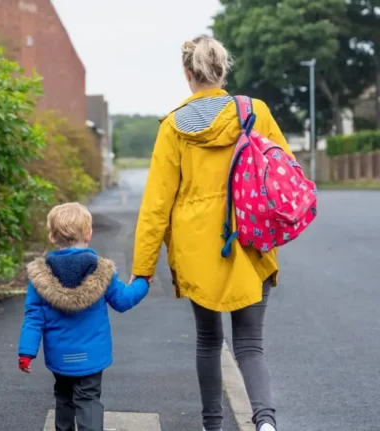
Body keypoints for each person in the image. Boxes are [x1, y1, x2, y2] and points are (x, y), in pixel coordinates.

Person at [130, 35, 294, 431]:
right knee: (250, 345)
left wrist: (142, 268)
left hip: (198, 249)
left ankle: (213, 425)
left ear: (188, 75)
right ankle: (266, 422)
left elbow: (156, 204)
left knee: (208, 341)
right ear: (222, 70)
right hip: (251, 240)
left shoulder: (172, 127)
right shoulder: (255, 112)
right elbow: (285, 169)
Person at [17, 202, 150, 431]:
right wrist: (142, 283)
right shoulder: (101, 271)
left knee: (64, 398)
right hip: (92, 355)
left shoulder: (40, 276)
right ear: (88, 234)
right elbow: (123, 300)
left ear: (52, 237)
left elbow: (33, 317)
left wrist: (26, 353)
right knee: (88, 399)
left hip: (60, 356)